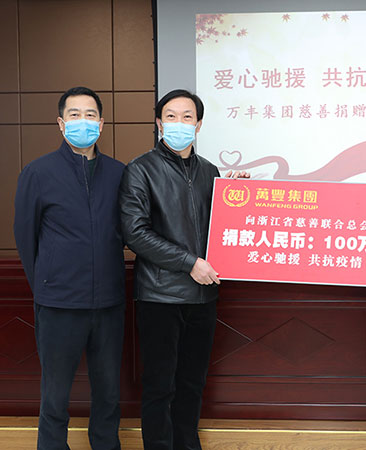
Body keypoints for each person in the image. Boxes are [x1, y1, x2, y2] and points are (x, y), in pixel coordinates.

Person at [119, 89, 248, 450]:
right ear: (159, 123)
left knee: (192, 382)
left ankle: (188, 444)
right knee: (160, 384)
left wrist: (235, 197)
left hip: (203, 295)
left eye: (187, 117)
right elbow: (135, 233)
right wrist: (189, 263)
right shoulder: (140, 169)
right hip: (159, 295)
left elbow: (217, 228)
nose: (179, 123)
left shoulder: (210, 171)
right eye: (171, 117)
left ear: (199, 124)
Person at [14, 87, 126, 450]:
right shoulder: (38, 172)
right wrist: (47, 284)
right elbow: (25, 237)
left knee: (108, 392)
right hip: (59, 304)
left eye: (90, 115)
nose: (83, 121)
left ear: (102, 123)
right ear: (61, 124)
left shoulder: (119, 173)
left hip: (109, 302)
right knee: (55, 394)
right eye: (74, 115)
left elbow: (131, 230)